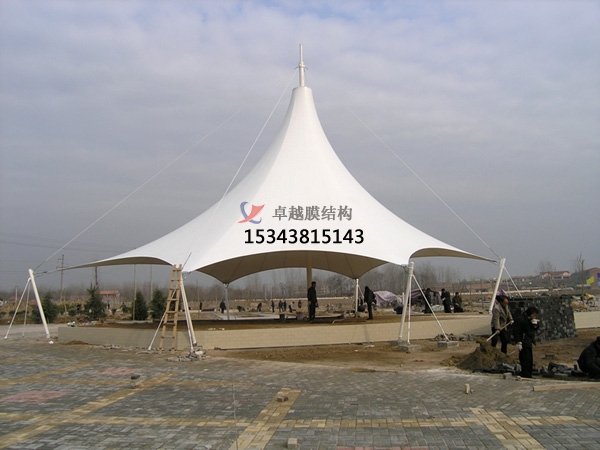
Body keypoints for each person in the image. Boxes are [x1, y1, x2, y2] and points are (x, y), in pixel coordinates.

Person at [513, 306, 540, 378]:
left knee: (529, 359)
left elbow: (534, 329)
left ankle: (528, 373)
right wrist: (518, 341)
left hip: (529, 341)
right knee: (525, 358)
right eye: (534, 314)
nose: (535, 316)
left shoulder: (530, 320)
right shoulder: (521, 319)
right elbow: (517, 331)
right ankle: (525, 373)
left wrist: (535, 325)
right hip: (523, 341)